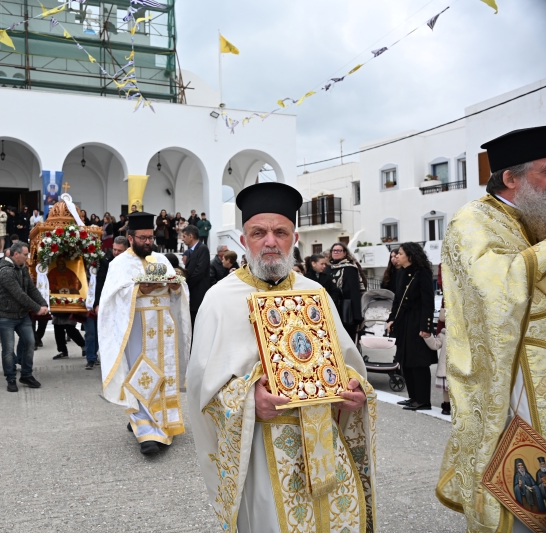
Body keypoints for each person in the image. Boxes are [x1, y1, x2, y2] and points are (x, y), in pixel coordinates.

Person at [186, 182, 376, 532]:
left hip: (325, 444)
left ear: (295, 237)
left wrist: (355, 389)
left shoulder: (314, 291)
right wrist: (246, 399)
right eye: (259, 232)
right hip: (260, 448)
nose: (270, 241)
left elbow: (348, 364)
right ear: (244, 241)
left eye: (280, 232)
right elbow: (200, 387)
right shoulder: (219, 299)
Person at [436, 126, 546, 531]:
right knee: (521, 507)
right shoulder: (473, 220)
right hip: (513, 392)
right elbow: (496, 291)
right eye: (545, 172)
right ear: (511, 178)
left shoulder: (531, 222)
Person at [99, 212, 191, 455]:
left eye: (150, 238)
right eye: (143, 238)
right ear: (130, 238)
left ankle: (165, 422)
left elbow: (178, 292)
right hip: (136, 326)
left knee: (164, 374)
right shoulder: (119, 264)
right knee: (142, 373)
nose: (148, 242)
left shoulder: (162, 259)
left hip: (164, 327)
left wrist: (174, 287)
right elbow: (111, 299)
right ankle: (145, 428)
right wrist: (138, 291)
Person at [386, 242, 436, 411]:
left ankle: (423, 400)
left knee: (418, 362)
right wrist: (392, 319)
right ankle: (413, 397)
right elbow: (397, 300)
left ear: (410, 255)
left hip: (417, 321)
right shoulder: (401, 273)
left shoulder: (423, 273)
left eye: (400, 253)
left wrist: (426, 327)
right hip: (404, 322)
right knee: (405, 360)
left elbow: (428, 302)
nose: (397, 256)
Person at [0, 241, 48, 392]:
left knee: (30, 342)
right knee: (8, 349)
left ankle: (26, 374)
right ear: (16, 254)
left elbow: (31, 288)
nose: (27, 257)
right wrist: (37, 308)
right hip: (5, 316)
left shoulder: (22, 267)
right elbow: (19, 295)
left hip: (22, 315)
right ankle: (11, 378)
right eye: (25, 255)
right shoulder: (5, 271)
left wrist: (44, 303)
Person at [90, 236, 128, 370]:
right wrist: (97, 304)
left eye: (120, 251)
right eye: (114, 249)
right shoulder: (106, 261)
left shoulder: (130, 262)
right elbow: (100, 284)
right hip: (109, 303)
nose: (116, 253)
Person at [329, 243, 364, 342]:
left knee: (346, 337)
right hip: (331, 305)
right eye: (334, 250)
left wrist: (357, 314)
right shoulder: (328, 268)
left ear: (345, 253)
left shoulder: (350, 268)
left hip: (345, 307)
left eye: (339, 250)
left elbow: (354, 291)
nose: (336, 252)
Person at [181, 224, 210, 326]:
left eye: (184, 236)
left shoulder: (202, 249)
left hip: (198, 292)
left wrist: (186, 284)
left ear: (191, 236)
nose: (182, 239)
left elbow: (199, 272)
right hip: (193, 293)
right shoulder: (190, 251)